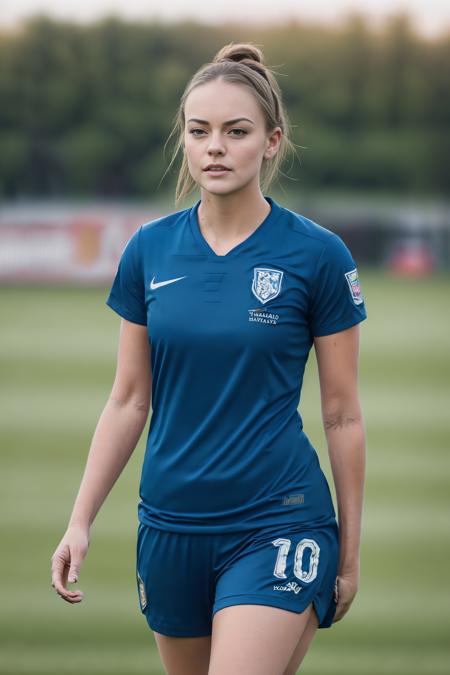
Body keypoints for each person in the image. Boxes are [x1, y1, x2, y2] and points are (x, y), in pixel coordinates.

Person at [51, 41, 367, 675]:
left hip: (279, 523)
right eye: (200, 131)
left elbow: (341, 414)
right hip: (170, 529)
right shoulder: (148, 250)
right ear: (186, 141)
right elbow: (129, 398)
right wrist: (78, 521)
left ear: (273, 141)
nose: (215, 146)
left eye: (237, 131)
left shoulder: (319, 255)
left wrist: (350, 552)